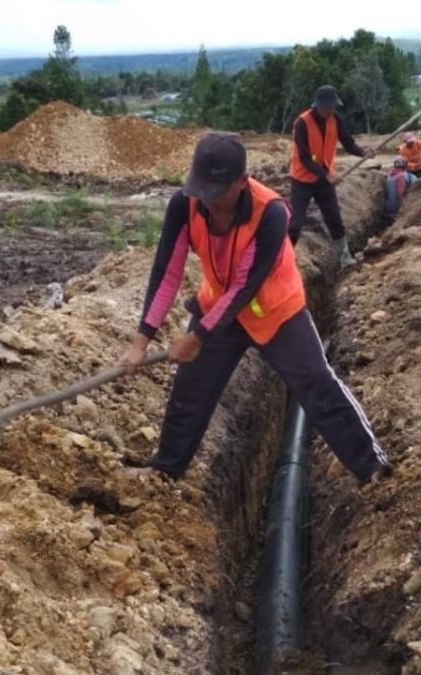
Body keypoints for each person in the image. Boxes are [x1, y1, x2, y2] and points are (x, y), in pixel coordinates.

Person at [123, 133, 392, 485]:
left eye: (216, 193)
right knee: (189, 393)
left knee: (316, 384)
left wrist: (198, 337)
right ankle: (166, 470)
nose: (209, 203)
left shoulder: (271, 213)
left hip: (277, 311)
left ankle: (372, 467)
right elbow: (167, 273)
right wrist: (141, 341)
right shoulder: (184, 205)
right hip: (217, 307)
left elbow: (243, 287)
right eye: (201, 191)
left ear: (241, 181)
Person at [288, 85, 377, 268]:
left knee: (335, 219)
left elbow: (348, 143)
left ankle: (344, 259)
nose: (331, 111)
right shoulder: (302, 123)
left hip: (323, 180)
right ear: (319, 105)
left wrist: (363, 152)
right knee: (295, 223)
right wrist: (326, 175)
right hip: (302, 180)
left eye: (333, 107)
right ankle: (284, 262)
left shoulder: (335, 119)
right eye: (328, 107)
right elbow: (304, 159)